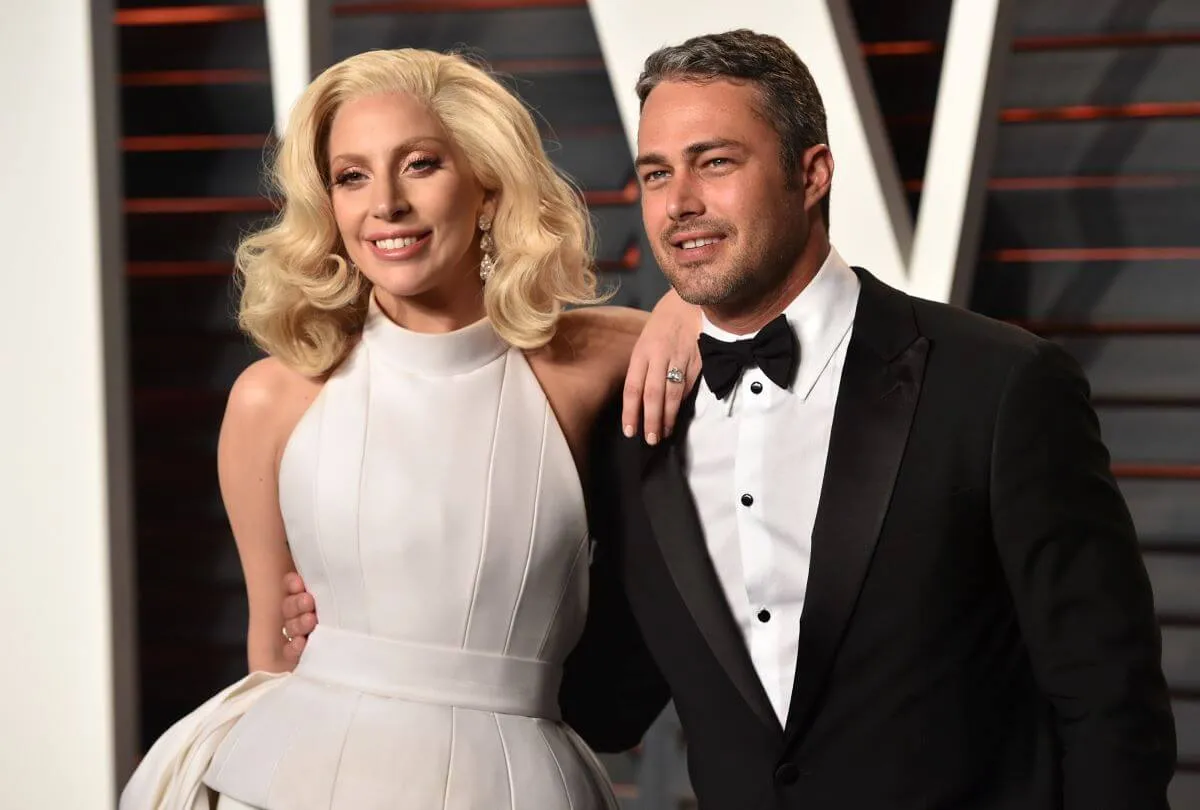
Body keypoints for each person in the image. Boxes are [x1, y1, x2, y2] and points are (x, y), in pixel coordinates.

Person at [280, 28, 1179, 810]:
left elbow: (1109, 700)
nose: (680, 204)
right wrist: (401, 617)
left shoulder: (998, 383)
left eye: (716, 162)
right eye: (656, 174)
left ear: (813, 172)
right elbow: (608, 698)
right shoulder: (632, 414)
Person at [119, 47, 700, 810]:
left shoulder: (588, 364)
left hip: (521, 779)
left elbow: (752, 311)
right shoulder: (271, 400)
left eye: (420, 164)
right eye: (351, 176)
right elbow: (273, 654)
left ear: (487, 184)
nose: (384, 204)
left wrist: (687, 305)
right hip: (292, 779)